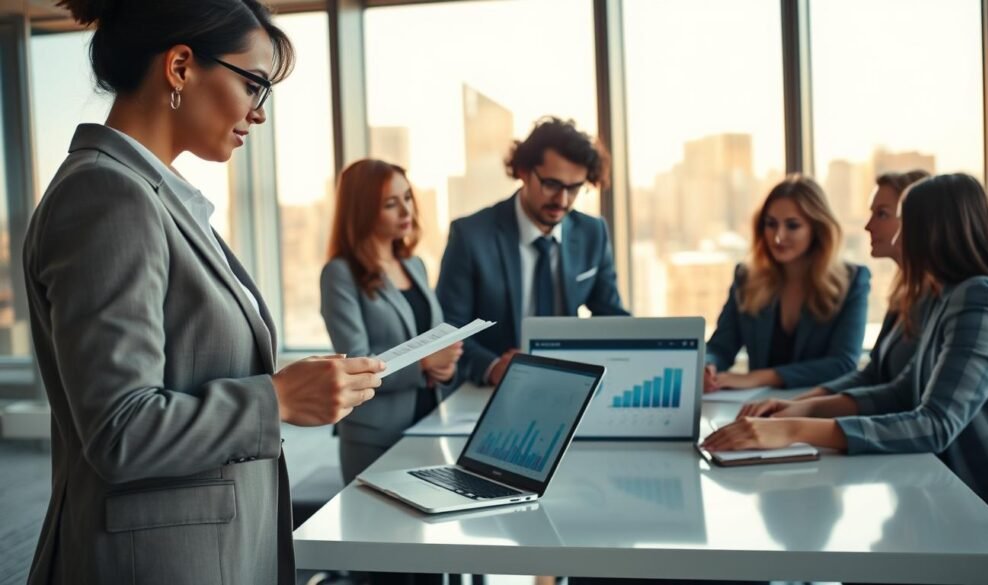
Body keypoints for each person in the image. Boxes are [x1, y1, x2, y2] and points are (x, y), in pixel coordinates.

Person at [24, 2, 383, 584]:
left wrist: (288, 385)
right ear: (182, 67)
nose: (258, 113)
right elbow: (121, 429)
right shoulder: (108, 196)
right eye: (254, 85)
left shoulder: (152, 196)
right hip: (160, 563)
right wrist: (278, 400)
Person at [707, 174, 988, 537]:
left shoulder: (983, 298)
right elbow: (901, 391)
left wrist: (792, 429)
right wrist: (803, 408)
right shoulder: (948, 296)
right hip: (959, 495)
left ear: (933, 231)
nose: (898, 236)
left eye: (906, 223)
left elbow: (935, 425)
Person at [436, 117, 629, 387]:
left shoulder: (592, 233)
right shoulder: (471, 236)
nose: (562, 200)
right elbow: (448, 330)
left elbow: (611, 317)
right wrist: (492, 368)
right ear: (524, 171)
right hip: (490, 391)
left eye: (574, 188)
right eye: (551, 184)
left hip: (568, 384)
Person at [321, 159, 462, 485]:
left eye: (408, 198)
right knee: (375, 527)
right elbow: (356, 362)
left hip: (428, 422)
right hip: (375, 433)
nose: (406, 211)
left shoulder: (414, 265)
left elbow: (433, 338)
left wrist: (445, 367)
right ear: (363, 210)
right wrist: (425, 363)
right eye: (390, 204)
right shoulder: (340, 274)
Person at [702, 174, 870, 393]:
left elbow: (843, 364)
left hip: (815, 410)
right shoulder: (746, 278)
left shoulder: (852, 280)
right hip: (757, 408)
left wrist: (761, 377)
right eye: (771, 224)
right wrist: (708, 367)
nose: (778, 237)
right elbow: (720, 347)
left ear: (816, 229)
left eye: (792, 226)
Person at [778, 170, 932, 402]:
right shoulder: (902, 294)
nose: (868, 226)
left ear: (913, 219)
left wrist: (802, 417)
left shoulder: (939, 299)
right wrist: (799, 404)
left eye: (882, 214)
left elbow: (902, 394)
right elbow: (873, 374)